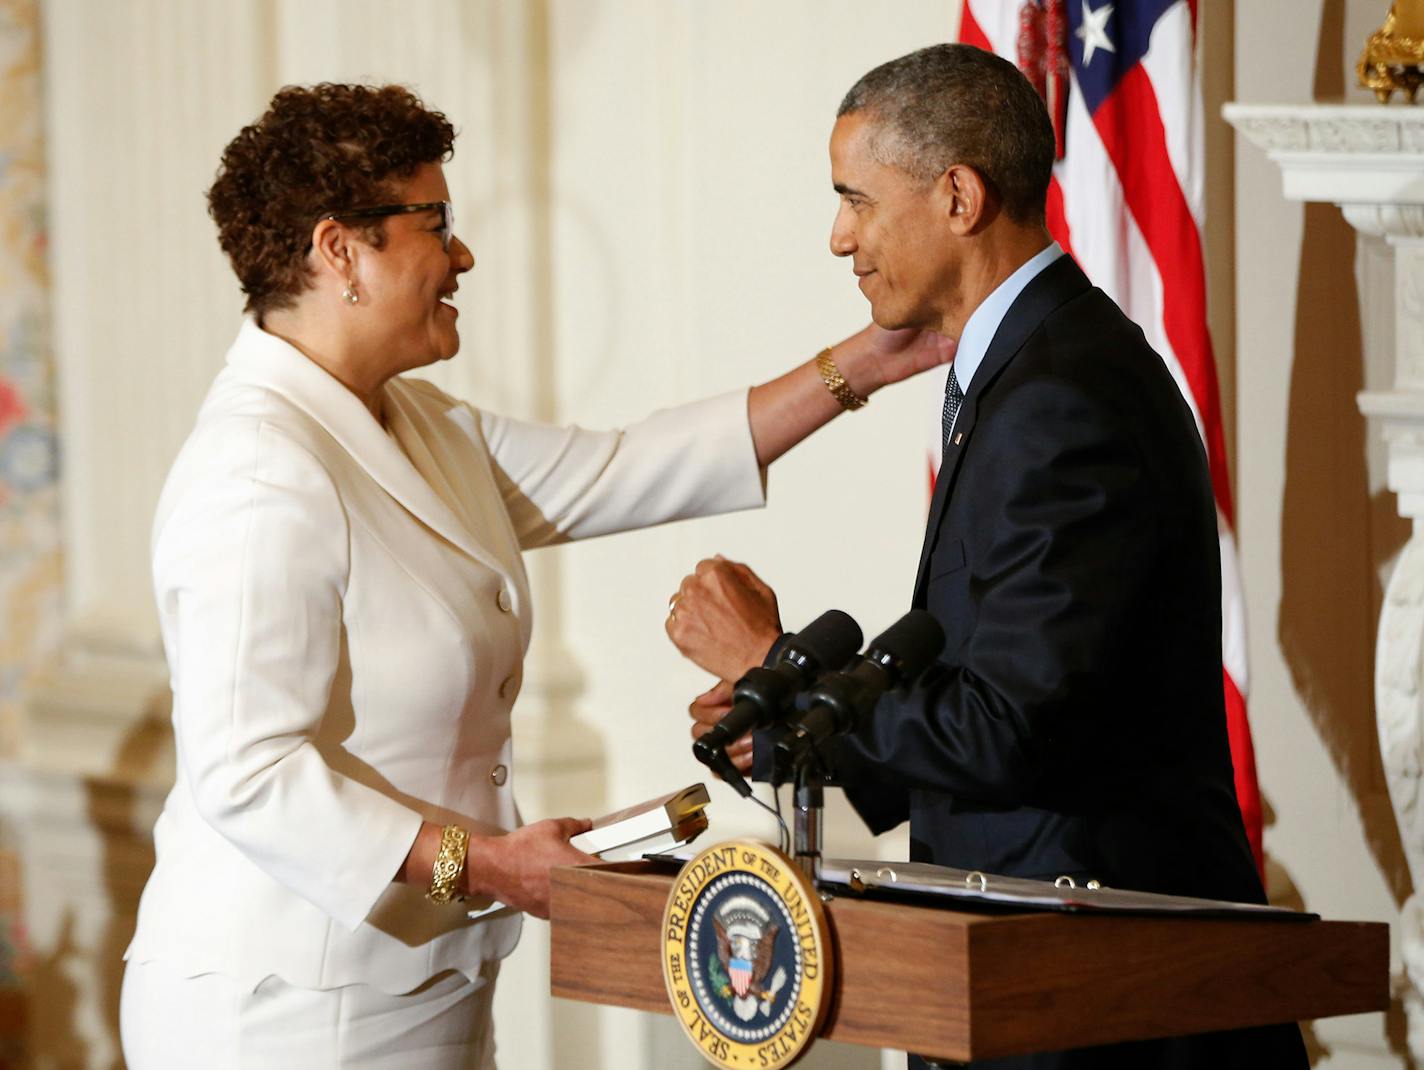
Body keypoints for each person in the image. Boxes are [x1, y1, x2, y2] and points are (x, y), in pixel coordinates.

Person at [117, 83, 952, 1069]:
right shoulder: (257, 467)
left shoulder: (413, 423)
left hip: (416, 978)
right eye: (435, 223)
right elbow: (248, 772)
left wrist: (876, 355)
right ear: (339, 248)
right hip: (281, 1005)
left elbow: (626, 466)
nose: (461, 254)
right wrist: (491, 863)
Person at [665, 45, 1309, 1070]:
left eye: (854, 199)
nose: (839, 236)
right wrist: (786, 720)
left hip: (1094, 1000)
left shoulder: (1061, 394)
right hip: (1042, 983)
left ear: (957, 195)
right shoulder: (1032, 370)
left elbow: (1013, 727)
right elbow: (1005, 687)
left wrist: (763, 656)